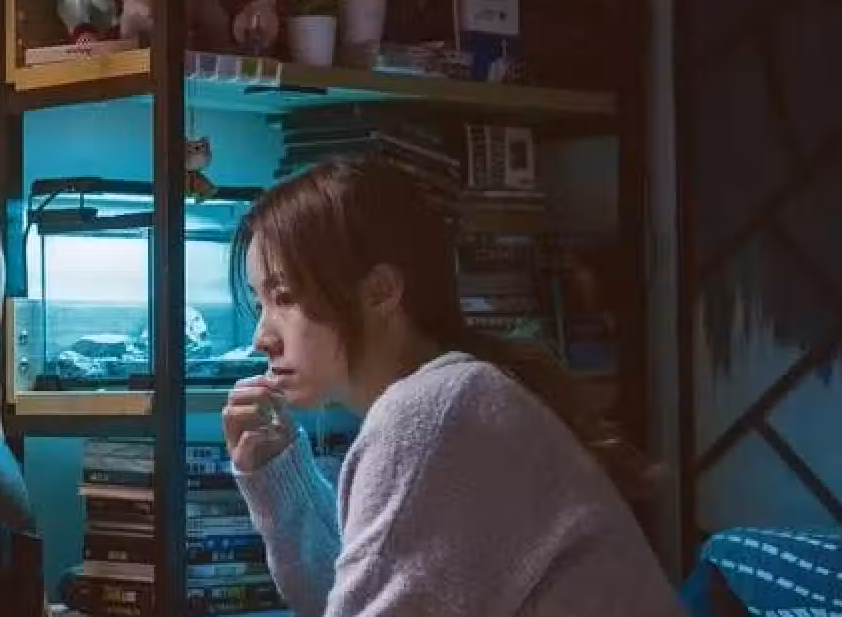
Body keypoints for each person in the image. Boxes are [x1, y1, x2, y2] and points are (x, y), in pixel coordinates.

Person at [222, 155, 687, 616]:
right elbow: (348, 598)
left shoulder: (429, 413)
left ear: (380, 292)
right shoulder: (454, 395)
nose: (261, 337)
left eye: (284, 298)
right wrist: (279, 474)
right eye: (261, 304)